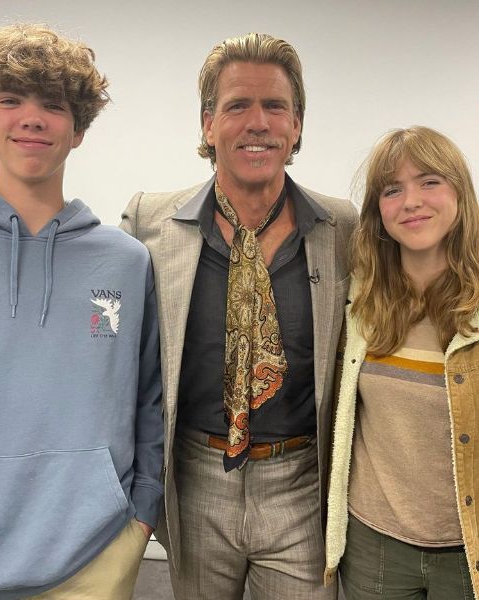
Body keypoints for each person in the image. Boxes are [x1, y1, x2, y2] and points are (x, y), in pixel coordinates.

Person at [121, 32, 358, 599]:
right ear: (208, 125)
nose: (259, 122)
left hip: (301, 483)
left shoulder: (342, 228)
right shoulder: (149, 223)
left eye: (275, 106)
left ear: (297, 125)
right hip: (197, 479)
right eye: (237, 106)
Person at [0, 23, 163, 600]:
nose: (32, 118)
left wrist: (141, 516)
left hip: (95, 554)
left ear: (78, 129)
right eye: (10, 100)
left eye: (53, 105)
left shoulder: (126, 262)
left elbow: (149, 399)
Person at [325, 126, 479, 599]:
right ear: (377, 214)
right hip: (375, 546)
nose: (411, 201)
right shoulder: (358, 306)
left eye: (430, 181)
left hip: (466, 550)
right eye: (393, 189)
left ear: (460, 193)